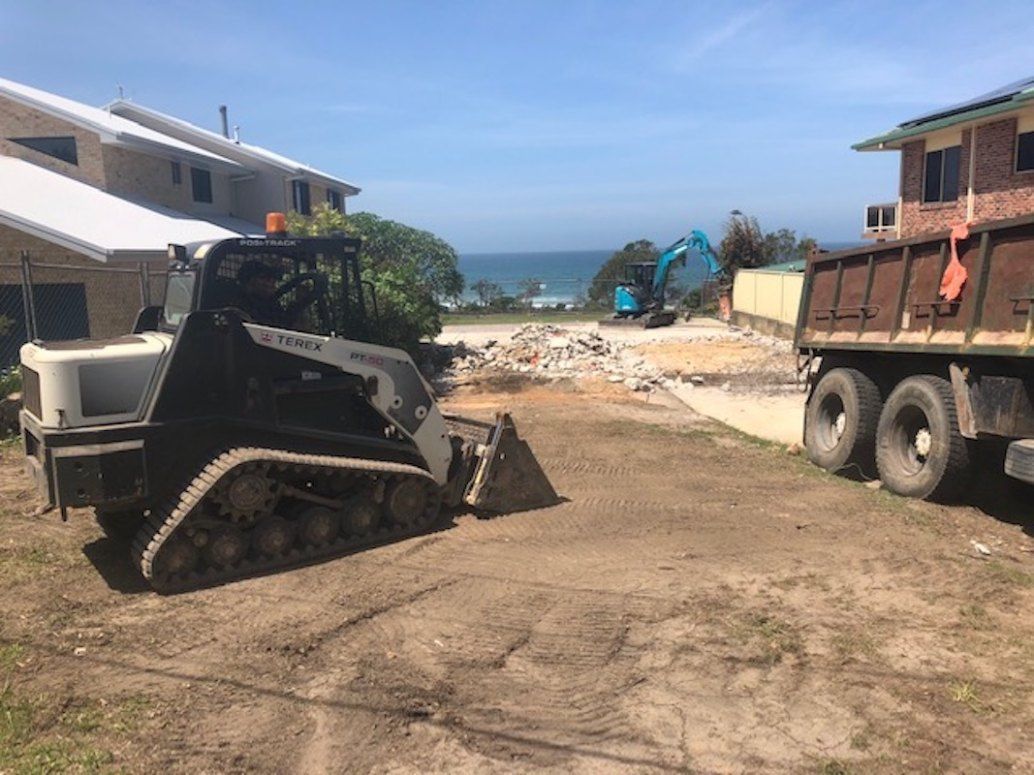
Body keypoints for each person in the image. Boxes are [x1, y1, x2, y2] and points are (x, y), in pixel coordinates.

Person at [236, 260, 321, 329]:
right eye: (263, 278)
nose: (270, 283)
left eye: (272, 279)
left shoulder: (272, 304)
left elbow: (287, 324)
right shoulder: (241, 307)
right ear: (247, 282)